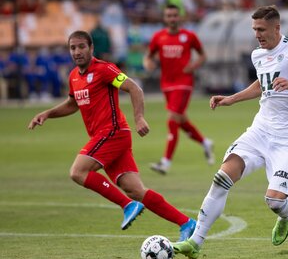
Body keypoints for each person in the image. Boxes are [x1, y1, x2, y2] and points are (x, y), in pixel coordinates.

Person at [172, 5, 288, 259]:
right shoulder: (258, 54)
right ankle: (195, 242)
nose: (257, 34)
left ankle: (286, 213)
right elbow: (262, 83)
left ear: (277, 28)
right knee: (221, 178)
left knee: (274, 202)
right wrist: (231, 99)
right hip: (261, 129)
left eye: (261, 29)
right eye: (254, 29)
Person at [28, 30, 196, 241]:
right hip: (108, 138)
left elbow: (134, 89)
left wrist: (139, 118)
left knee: (77, 172)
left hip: (113, 133)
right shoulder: (73, 76)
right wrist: (48, 113)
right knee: (135, 190)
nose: (77, 52)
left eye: (81, 47)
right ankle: (187, 223)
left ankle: (127, 206)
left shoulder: (103, 69)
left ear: (91, 48)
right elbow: (73, 104)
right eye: (73, 48)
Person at [143, 4, 214, 175]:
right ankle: (205, 143)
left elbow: (203, 55)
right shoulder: (158, 37)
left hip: (184, 83)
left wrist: (194, 65)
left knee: (172, 119)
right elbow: (148, 56)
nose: (172, 18)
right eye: (169, 15)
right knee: (180, 120)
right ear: (165, 18)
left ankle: (165, 162)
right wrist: (148, 64)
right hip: (166, 84)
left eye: (175, 15)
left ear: (180, 17)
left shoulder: (189, 36)